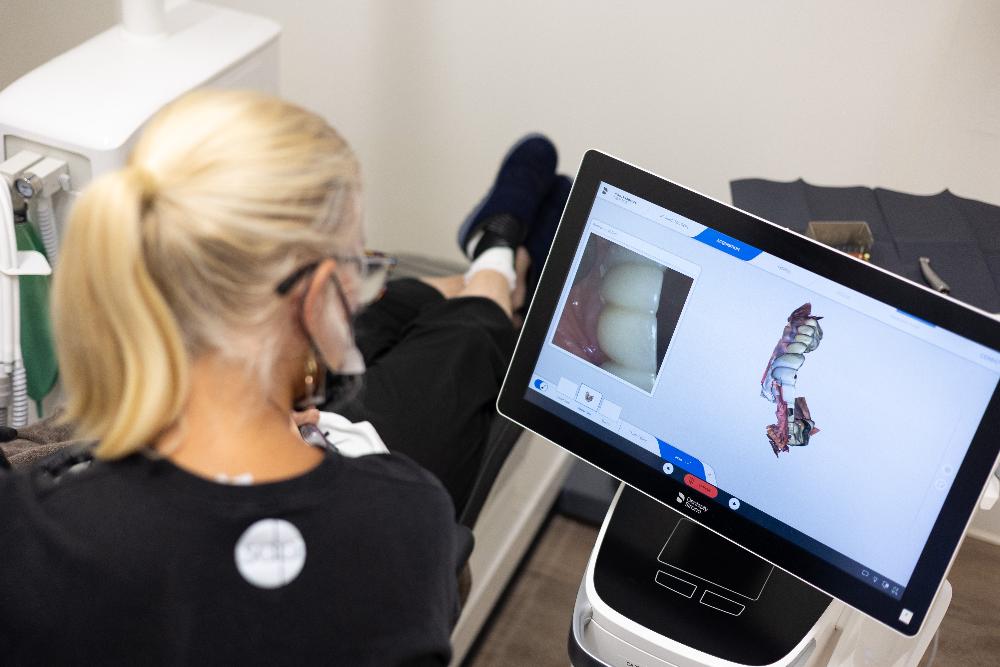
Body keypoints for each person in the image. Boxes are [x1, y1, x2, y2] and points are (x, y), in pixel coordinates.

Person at [0, 90, 569, 665]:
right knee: (467, 338)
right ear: (322, 290)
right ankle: (498, 266)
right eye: (360, 265)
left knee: (383, 314)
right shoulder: (405, 515)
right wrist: (365, 465)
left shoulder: (29, 525)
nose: (361, 281)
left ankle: (493, 265)